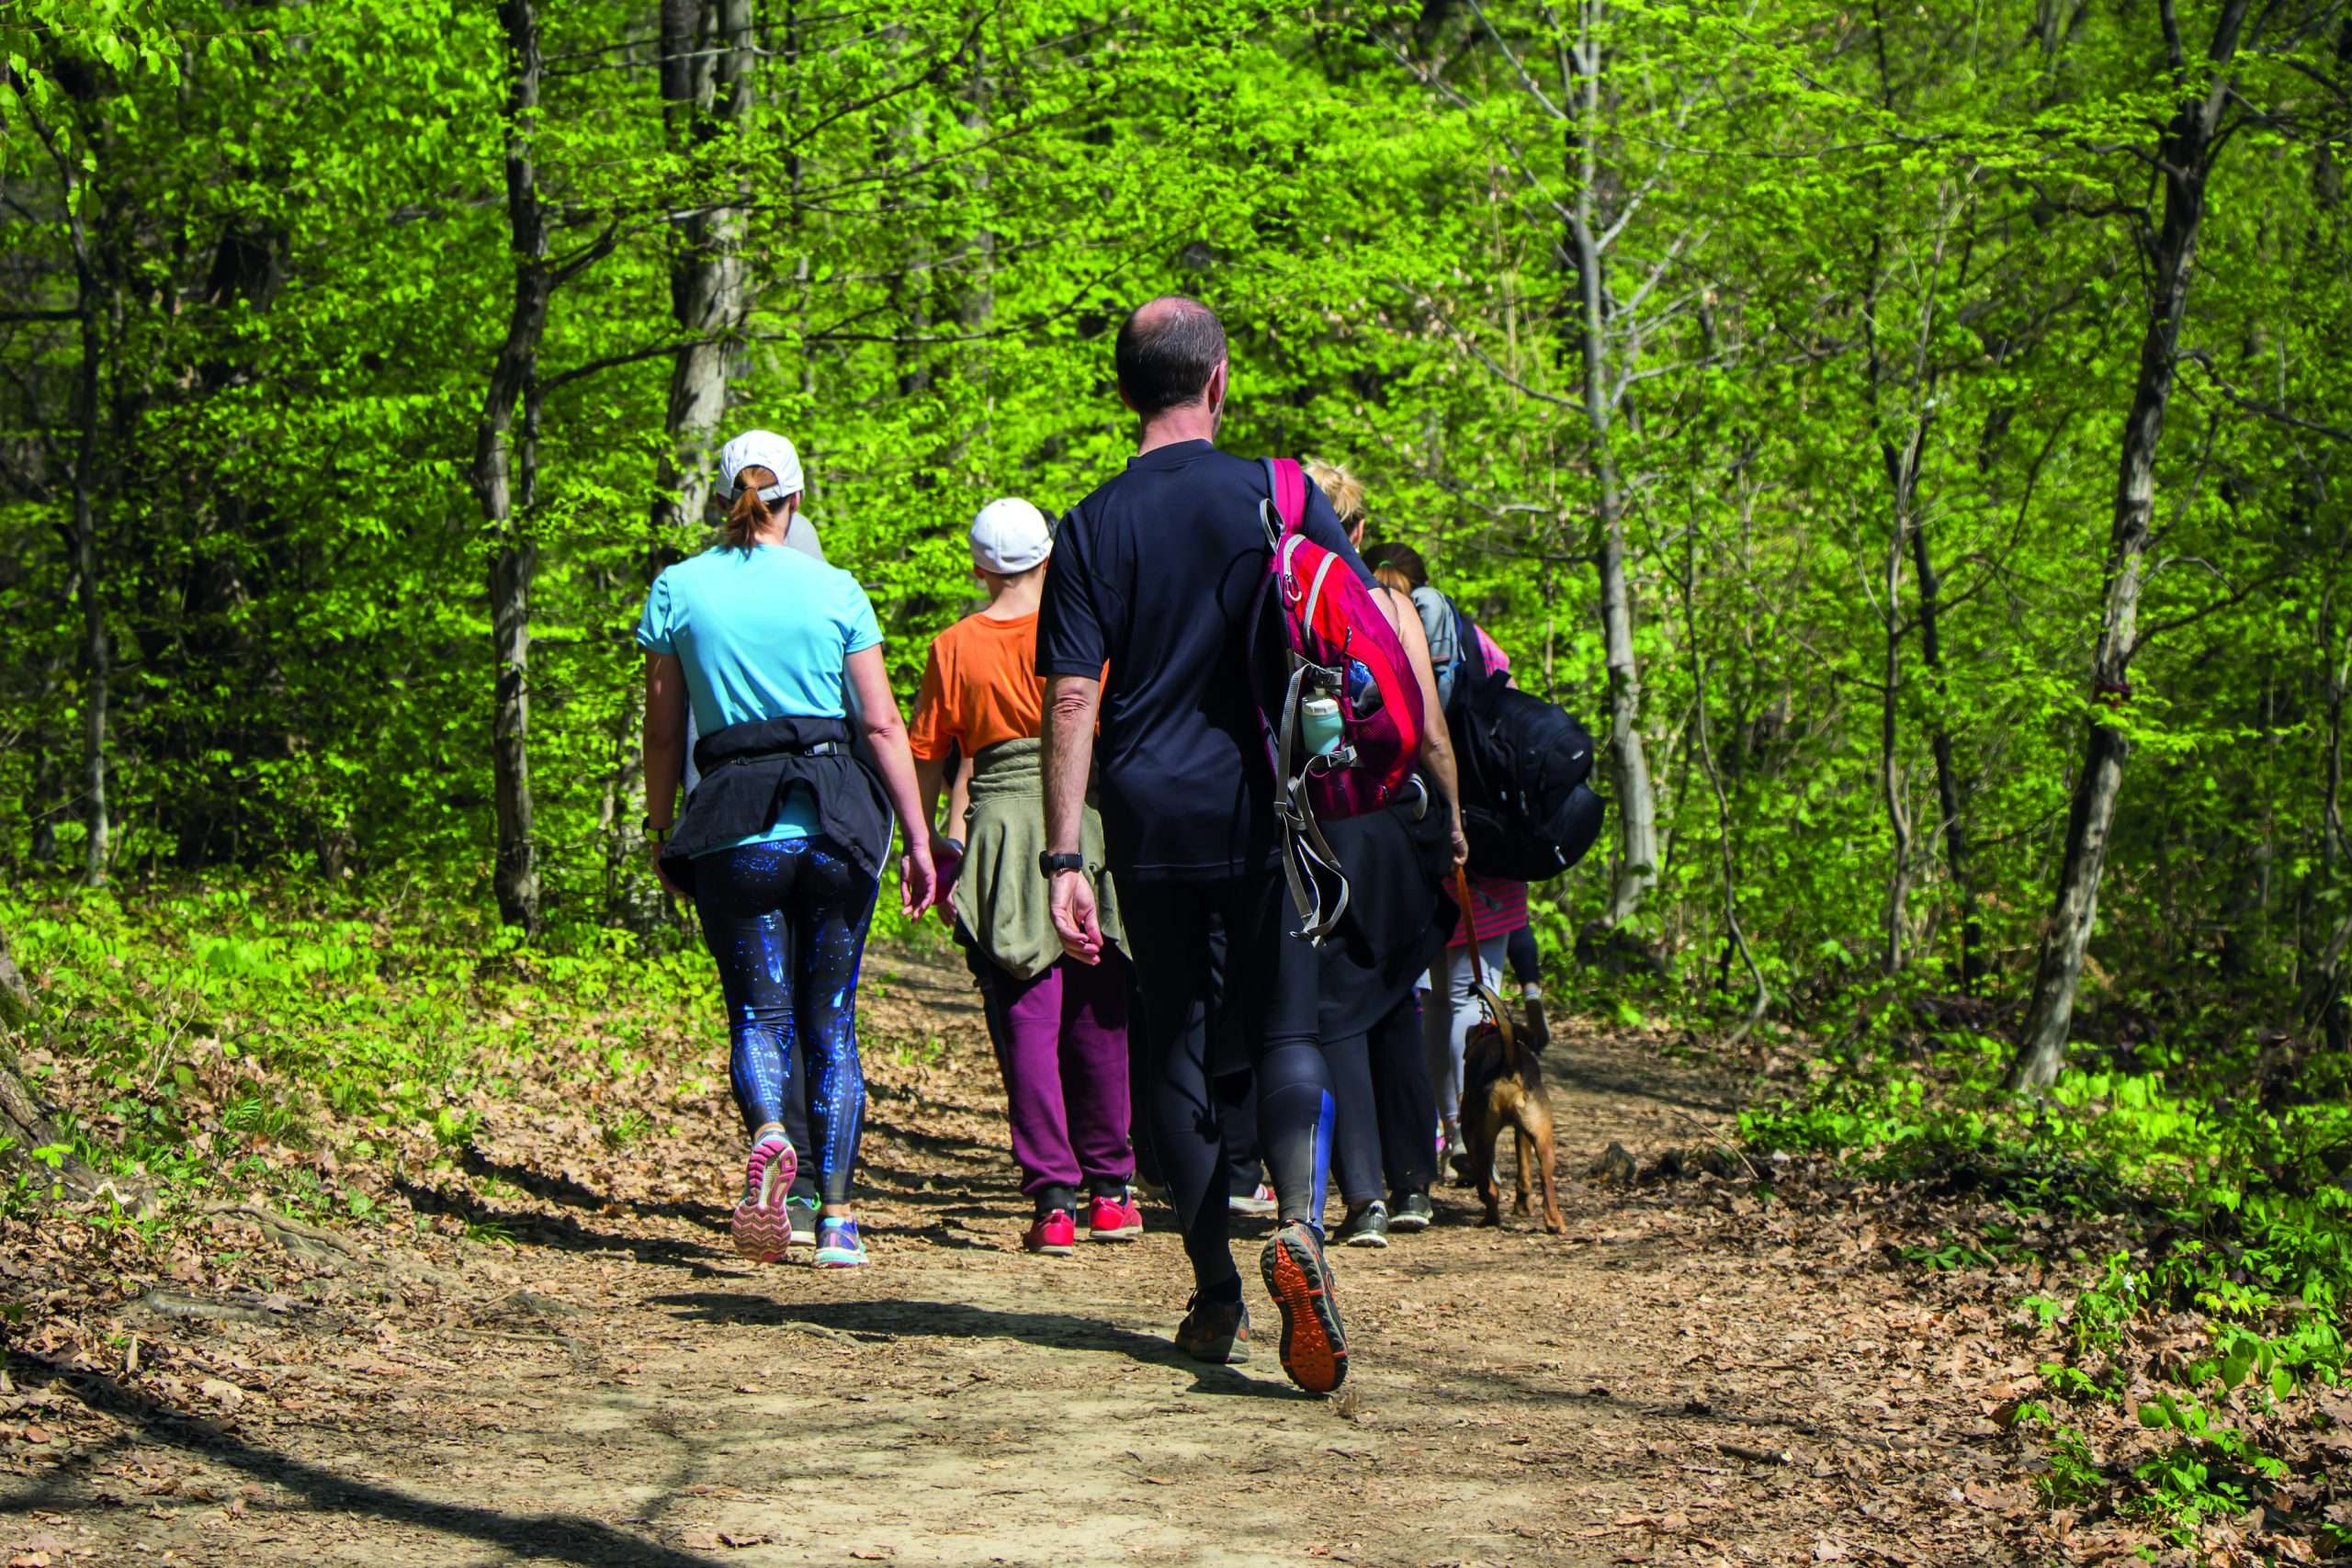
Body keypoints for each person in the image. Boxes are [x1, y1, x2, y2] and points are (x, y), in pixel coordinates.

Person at [1035, 296, 1371, 1394]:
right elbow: (1355, 635)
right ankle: (1303, 1232)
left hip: (1147, 814)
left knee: (1170, 1034)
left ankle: (1214, 1292)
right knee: (1285, 1027)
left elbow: (1075, 698)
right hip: (1268, 805)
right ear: (1217, 381)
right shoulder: (1279, 495)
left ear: (1123, 391)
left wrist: (1063, 859)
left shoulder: (1087, 525)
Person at [639, 428, 937, 1270]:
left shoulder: (677, 589)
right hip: (837, 820)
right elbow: (881, 724)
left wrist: (663, 829)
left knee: (758, 1015)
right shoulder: (836, 587)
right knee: (832, 1021)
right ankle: (839, 1223)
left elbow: (664, 734)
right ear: (796, 499)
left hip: (735, 823)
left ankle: (774, 1134)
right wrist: (917, 837)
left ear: (724, 497)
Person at [910, 497, 1141, 1257]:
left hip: (1004, 831)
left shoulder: (953, 647)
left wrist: (926, 846)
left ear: (979, 565)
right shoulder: (1086, 632)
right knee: (1100, 1015)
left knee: (1026, 1022)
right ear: (1049, 556)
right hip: (1087, 820)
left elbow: (928, 757)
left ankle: (1054, 1199)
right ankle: (1113, 1190)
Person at [1305, 461, 1465, 1248]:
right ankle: (1412, 1186)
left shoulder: (1283, 593)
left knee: (1336, 1006)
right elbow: (1431, 731)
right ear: (1360, 530)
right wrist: (1457, 822)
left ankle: (1361, 1193)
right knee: (1395, 992)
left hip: (1316, 825)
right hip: (1393, 816)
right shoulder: (1391, 605)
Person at [1363, 545, 1538, 1178]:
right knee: (1474, 990)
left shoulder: (1372, 628)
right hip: (1485, 841)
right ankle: (1470, 1127)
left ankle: (1444, 1127)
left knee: (1430, 996)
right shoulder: (1481, 647)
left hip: (1411, 830)